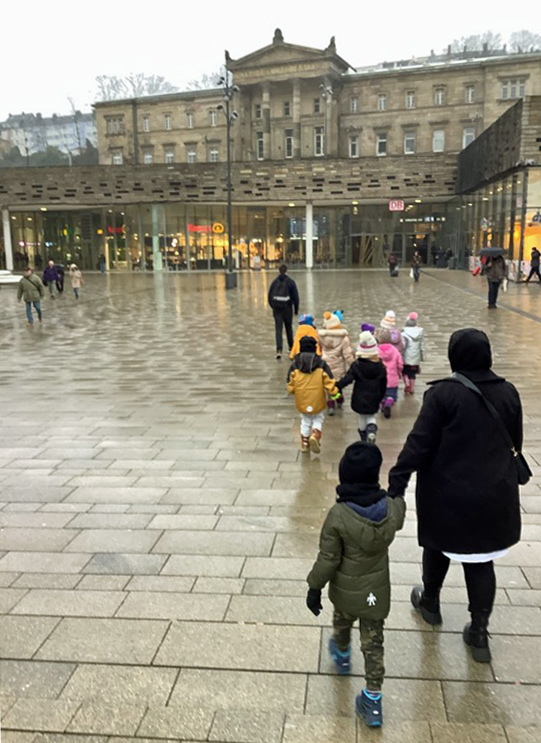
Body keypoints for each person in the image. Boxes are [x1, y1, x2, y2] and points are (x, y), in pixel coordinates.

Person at [388, 329, 523, 663]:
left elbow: (419, 444)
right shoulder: (508, 393)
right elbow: (515, 443)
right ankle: (479, 631)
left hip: (446, 493)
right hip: (494, 493)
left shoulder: (443, 395)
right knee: (481, 561)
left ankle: (430, 602)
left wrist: (397, 482)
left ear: (454, 357)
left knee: (437, 543)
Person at [306, 442, 406, 727]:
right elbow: (399, 506)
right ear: (375, 476)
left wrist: (314, 588)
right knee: (373, 644)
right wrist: (397, 489)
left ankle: (341, 653)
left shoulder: (337, 517)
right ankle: (372, 700)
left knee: (342, 621)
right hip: (375, 596)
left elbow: (328, 559)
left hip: (346, 594)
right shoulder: (390, 510)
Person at [287, 335, 339, 453]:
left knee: (305, 421)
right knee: (318, 418)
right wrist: (334, 392)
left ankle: (305, 443)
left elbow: (290, 383)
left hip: (302, 399)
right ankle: (315, 435)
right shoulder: (321, 364)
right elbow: (329, 382)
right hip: (318, 399)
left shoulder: (295, 365)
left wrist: (292, 390)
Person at [336, 331, 387, 442]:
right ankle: (372, 430)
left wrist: (337, 385)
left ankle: (364, 437)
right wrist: (381, 396)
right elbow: (384, 384)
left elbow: (348, 379)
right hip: (375, 396)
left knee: (362, 417)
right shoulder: (381, 367)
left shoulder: (357, 365)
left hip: (360, 397)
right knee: (371, 416)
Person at [318, 311, 355, 416]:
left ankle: (330, 404)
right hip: (338, 365)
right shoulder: (343, 338)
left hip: (325, 365)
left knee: (328, 385)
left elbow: (319, 349)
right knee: (337, 384)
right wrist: (353, 364)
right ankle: (339, 397)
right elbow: (347, 355)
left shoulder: (321, 337)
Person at [268, 264, 299, 360]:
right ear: (287, 271)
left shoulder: (274, 282)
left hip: (277, 309)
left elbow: (269, 296)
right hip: (287, 308)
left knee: (278, 329)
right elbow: (296, 297)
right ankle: (291, 347)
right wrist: (296, 309)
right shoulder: (290, 282)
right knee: (288, 327)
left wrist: (273, 306)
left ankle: (279, 350)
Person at [377, 329, 403, 418]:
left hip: (380, 379)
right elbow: (400, 364)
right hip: (392, 378)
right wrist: (399, 372)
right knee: (391, 394)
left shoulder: (376, 351)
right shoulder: (395, 351)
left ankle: (384, 404)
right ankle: (389, 403)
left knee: (381, 394)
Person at [401, 312, 425, 395]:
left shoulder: (403, 333)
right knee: (413, 374)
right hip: (415, 357)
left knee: (405, 372)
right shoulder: (420, 333)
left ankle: (406, 383)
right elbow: (422, 345)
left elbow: (403, 346)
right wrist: (422, 357)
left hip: (405, 357)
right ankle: (411, 388)